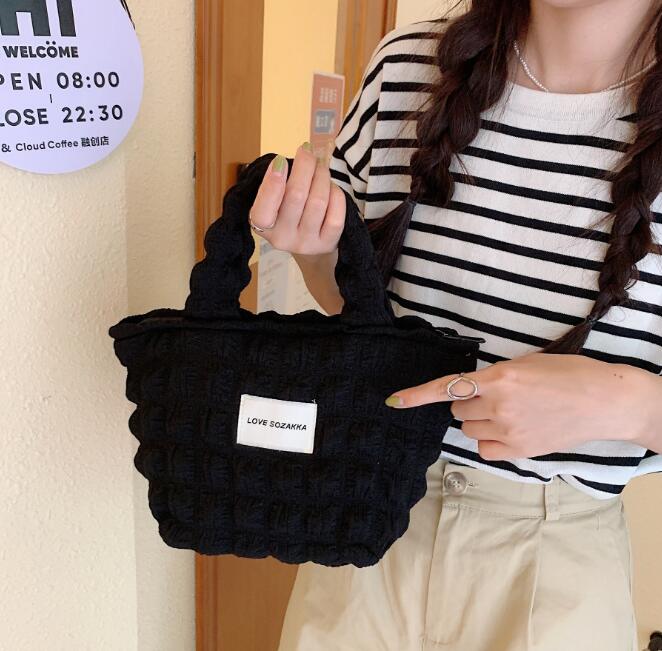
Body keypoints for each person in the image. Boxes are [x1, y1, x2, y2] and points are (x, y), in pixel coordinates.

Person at [248, 1, 662, 649]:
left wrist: (627, 404)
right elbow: (352, 306)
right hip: (365, 520)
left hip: (552, 572)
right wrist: (314, 250)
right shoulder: (407, 67)